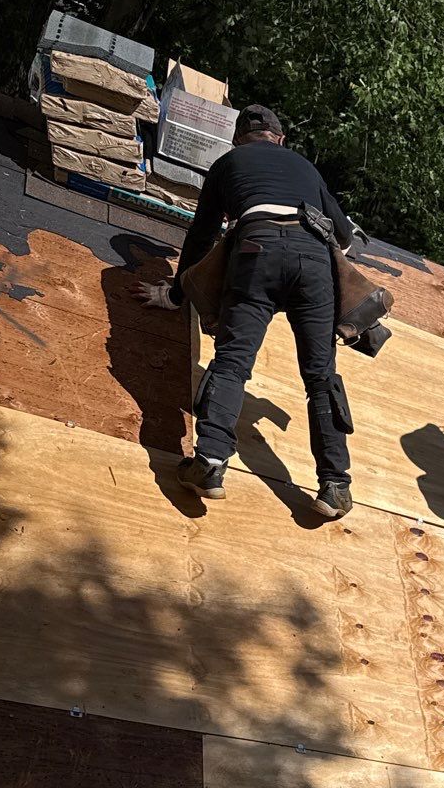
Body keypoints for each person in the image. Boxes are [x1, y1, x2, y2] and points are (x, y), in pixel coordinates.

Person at [133, 103, 356, 519]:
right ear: (280, 138)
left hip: (257, 252)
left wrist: (178, 295)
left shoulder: (228, 163)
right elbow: (345, 235)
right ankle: (336, 485)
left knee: (233, 362)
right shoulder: (305, 167)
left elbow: (200, 237)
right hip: (314, 262)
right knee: (321, 376)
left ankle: (210, 464)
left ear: (238, 138)